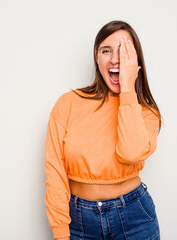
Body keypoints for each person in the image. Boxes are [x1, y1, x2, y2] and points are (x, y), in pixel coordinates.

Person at [44, 20, 163, 240]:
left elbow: (131, 153)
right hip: (79, 221)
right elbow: (55, 172)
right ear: (96, 56)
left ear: (136, 61)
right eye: (106, 50)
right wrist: (60, 232)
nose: (115, 59)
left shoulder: (145, 112)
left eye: (124, 51)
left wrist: (127, 89)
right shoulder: (69, 103)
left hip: (135, 217)